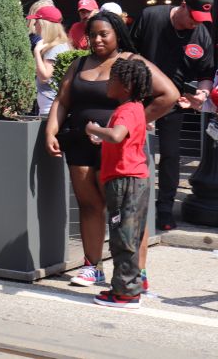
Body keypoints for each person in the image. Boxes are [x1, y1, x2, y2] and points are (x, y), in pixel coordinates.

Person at [45, 11, 177, 287]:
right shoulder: (79, 64)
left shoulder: (132, 62)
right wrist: (51, 130)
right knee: (90, 206)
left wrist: (134, 123)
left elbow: (170, 94)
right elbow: (62, 101)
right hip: (79, 141)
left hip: (118, 149)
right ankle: (93, 266)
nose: (97, 39)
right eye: (92, 34)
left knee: (128, 212)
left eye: (104, 33)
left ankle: (136, 273)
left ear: (117, 33)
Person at [130, 0, 215, 231]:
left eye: (200, 20)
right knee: (132, 150)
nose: (195, 23)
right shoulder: (150, 17)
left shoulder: (201, 34)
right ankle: (129, 207)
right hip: (138, 95)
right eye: (193, 17)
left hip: (174, 101)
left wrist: (202, 94)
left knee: (170, 154)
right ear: (183, 5)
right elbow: (127, 53)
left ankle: (164, 208)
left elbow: (206, 73)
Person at [85, 58, 153, 309]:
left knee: (122, 235)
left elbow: (116, 135)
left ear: (126, 84)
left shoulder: (126, 110)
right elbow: (122, 140)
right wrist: (101, 138)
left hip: (125, 180)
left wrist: (94, 128)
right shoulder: (134, 108)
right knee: (129, 234)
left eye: (112, 79)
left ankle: (125, 293)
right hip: (132, 179)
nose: (107, 83)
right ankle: (130, 285)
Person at [30, 5, 70, 115]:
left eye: (37, 21)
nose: (34, 24)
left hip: (50, 108)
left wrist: (37, 52)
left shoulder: (55, 47)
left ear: (44, 25)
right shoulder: (59, 44)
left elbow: (44, 77)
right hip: (50, 107)